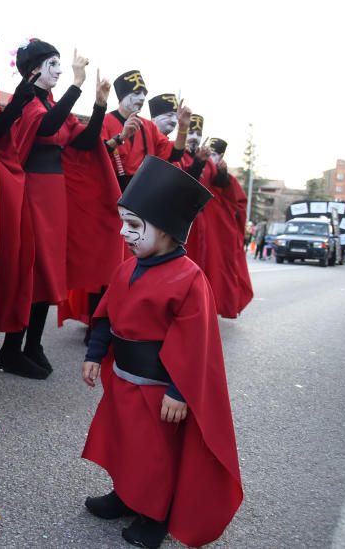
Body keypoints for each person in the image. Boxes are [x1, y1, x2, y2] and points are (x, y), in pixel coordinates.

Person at [81, 156, 243, 549]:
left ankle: (154, 516)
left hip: (159, 389)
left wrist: (179, 391)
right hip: (123, 380)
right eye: (124, 223)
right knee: (124, 443)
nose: (124, 233)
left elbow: (196, 345)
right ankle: (124, 494)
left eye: (135, 226)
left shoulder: (189, 279)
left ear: (169, 231)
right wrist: (94, 353)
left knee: (155, 455)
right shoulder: (126, 270)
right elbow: (105, 317)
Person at [0, 40, 120, 379]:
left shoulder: (49, 102)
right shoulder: (29, 102)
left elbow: (86, 140)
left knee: (48, 273)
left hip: (52, 196)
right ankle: (9, 349)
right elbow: (46, 126)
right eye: (53, 64)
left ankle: (32, 344)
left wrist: (99, 105)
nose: (60, 71)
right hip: (32, 191)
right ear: (34, 69)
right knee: (33, 272)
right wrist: (76, 86)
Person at [182, 138, 253, 318]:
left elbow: (235, 204)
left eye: (214, 154)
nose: (210, 157)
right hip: (192, 228)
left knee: (215, 269)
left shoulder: (223, 176)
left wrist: (222, 176)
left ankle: (208, 304)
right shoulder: (189, 162)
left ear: (221, 156)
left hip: (215, 232)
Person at [101, 71, 191, 191]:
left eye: (144, 94)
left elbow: (175, 154)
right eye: (137, 93)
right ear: (122, 97)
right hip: (110, 189)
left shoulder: (148, 126)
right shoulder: (105, 121)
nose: (142, 98)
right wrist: (120, 138)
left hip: (141, 192)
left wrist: (183, 129)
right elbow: (97, 155)